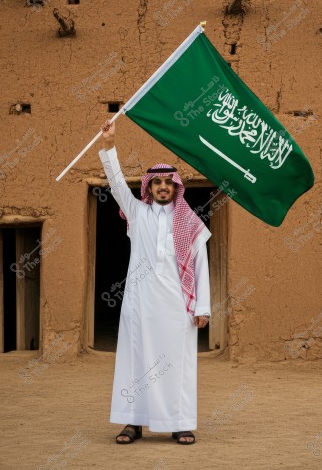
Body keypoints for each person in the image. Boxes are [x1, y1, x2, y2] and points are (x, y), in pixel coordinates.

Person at [98, 118, 211, 445]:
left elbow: (201, 266)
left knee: (177, 366)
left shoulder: (190, 222)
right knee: (136, 364)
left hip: (177, 309)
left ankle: (179, 423)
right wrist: (109, 145)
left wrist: (202, 307)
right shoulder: (136, 213)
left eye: (168, 182)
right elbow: (117, 184)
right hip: (140, 305)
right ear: (148, 187)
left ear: (176, 187)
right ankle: (132, 424)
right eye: (157, 182)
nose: (162, 186)